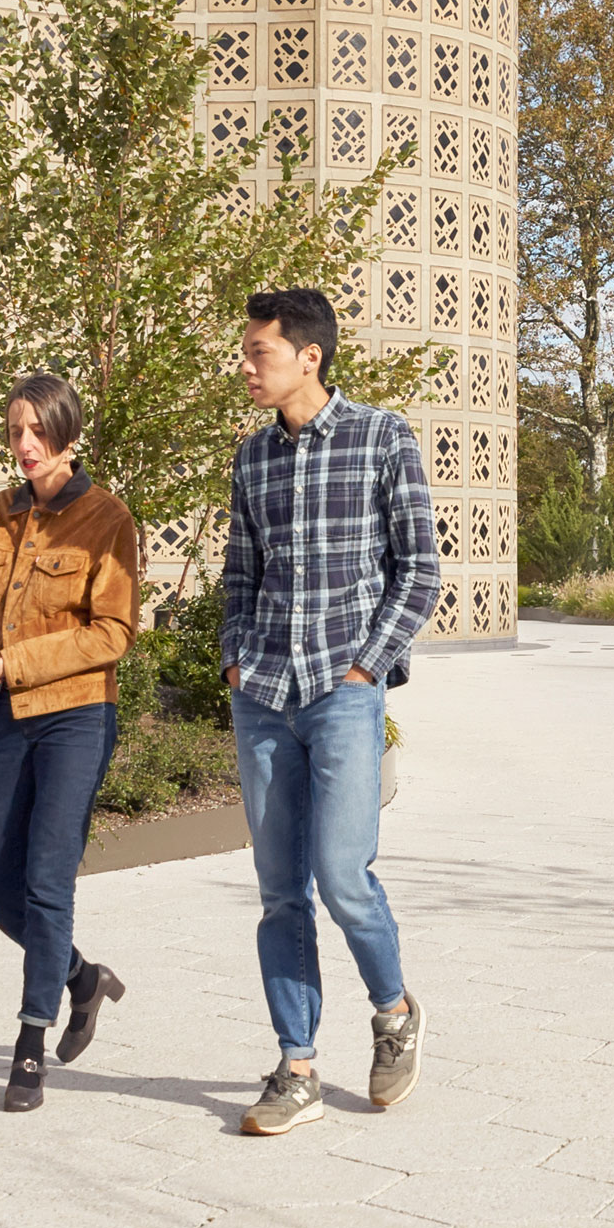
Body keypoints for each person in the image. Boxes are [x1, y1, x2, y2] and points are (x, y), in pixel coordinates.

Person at [221, 285, 440, 1137]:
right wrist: (237, 657)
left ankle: (392, 1013)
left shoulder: (383, 436)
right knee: (281, 892)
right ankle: (297, 1065)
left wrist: (365, 667)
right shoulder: (252, 460)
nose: (246, 365)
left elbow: (419, 570)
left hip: (344, 693)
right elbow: (240, 574)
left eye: (258, 352)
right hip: (265, 695)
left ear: (308, 356)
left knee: (343, 878)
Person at [0, 369, 143, 1114]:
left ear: (67, 432)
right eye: (14, 432)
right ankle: (80, 977)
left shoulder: (106, 518)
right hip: (2, 717)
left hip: (75, 716)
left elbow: (114, 632)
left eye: (37, 430)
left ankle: (29, 1045)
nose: (24, 445)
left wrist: (17, 662)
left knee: (46, 880)